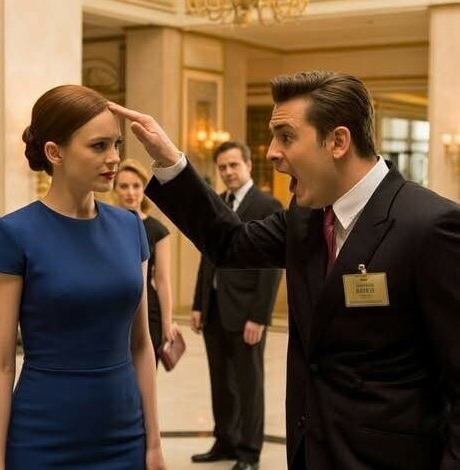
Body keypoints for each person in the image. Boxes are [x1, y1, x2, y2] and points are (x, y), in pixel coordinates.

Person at [108, 70, 460, 470]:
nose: (272, 152)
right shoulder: (306, 218)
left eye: (286, 137)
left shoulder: (430, 226)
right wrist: (171, 161)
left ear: (338, 141)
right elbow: (230, 243)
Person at [0, 84, 166, 470]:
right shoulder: (14, 234)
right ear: (55, 152)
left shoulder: (130, 227)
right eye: (99, 146)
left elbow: (141, 345)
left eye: (116, 144)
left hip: (124, 433)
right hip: (43, 435)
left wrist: (153, 444)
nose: (114, 158)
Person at [189, 141, 282, 470]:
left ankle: (249, 452)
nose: (228, 172)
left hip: (246, 312)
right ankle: (225, 441)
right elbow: (207, 256)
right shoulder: (217, 203)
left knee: (248, 385)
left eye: (233, 165)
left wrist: (259, 316)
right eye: (222, 167)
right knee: (221, 382)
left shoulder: (267, 205)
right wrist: (199, 303)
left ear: (248, 165)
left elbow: (271, 268)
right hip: (214, 308)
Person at [113, 158, 178, 364]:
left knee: (144, 373)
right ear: (115, 189)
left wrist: (167, 323)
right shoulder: (104, 223)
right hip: (112, 309)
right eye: (124, 186)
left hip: (148, 311)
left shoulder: (158, 230)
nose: (130, 192)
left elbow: (162, 280)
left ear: (144, 189)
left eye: (136, 186)